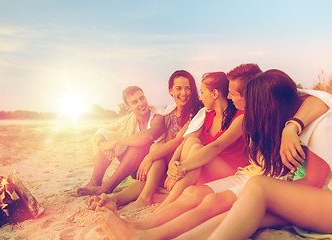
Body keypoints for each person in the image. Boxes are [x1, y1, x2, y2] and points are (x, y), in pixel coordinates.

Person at [94, 65, 331, 240]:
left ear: (264, 106)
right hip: (288, 190)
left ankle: (145, 233)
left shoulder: (315, 126)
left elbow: (312, 181)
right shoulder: (283, 122)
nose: (230, 96)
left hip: (312, 198)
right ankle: (144, 234)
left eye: (237, 95)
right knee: (227, 207)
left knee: (254, 190)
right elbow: (186, 140)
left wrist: (292, 127)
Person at [200, 69, 332, 240]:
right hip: (313, 201)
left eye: (253, 106)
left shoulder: (319, 126)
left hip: (323, 200)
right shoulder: (295, 124)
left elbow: (313, 182)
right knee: (240, 215)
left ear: (268, 106)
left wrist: (271, 192)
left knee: (257, 186)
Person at [89, 70, 202, 209]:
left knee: (153, 151)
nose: (183, 93)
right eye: (179, 88)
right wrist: (105, 144)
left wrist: (150, 157)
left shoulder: (190, 113)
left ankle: (143, 198)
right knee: (147, 169)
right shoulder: (170, 113)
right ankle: (113, 198)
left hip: (183, 161)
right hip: (165, 162)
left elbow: (176, 142)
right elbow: (103, 131)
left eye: (188, 88)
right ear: (171, 90)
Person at [156, 71, 249, 209]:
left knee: (196, 148)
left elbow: (215, 147)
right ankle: (172, 198)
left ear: (215, 94)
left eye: (203, 92)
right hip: (207, 168)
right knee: (192, 143)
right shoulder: (207, 115)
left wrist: (182, 167)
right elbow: (187, 140)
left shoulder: (240, 117)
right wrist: (172, 165)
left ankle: (168, 203)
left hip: (230, 172)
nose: (201, 98)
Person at [76, 86, 165, 196]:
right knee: (105, 142)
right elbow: (101, 132)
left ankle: (107, 188)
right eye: (135, 102)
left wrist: (116, 143)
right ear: (128, 107)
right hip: (133, 169)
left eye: (142, 98)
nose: (141, 103)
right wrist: (103, 144)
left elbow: (149, 136)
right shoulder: (128, 120)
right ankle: (95, 181)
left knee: (138, 146)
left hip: (151, 168)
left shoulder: (158, 117)